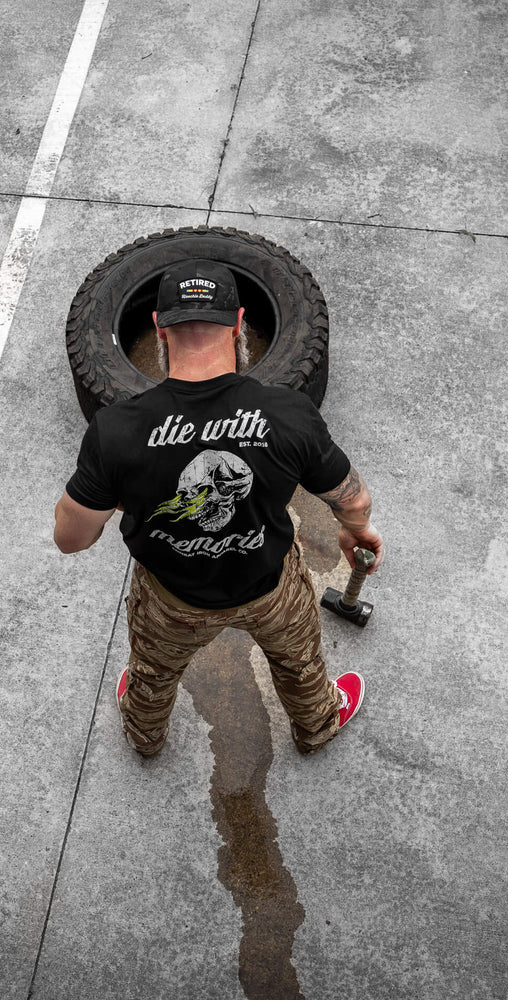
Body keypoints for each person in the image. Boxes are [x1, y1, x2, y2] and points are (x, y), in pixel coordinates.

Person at [54, 259, 384, 757]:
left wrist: (119, 495)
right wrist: (354, 530)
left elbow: (70, 539)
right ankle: (317, 724)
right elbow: (353, 498)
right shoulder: (289, 414)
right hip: (272, 586)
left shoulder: (117, 430)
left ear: (158, 327)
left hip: (171, 600)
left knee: (152, 673)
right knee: (298, 663)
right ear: (239, 324)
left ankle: (145, 735)